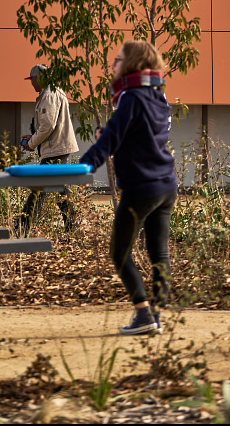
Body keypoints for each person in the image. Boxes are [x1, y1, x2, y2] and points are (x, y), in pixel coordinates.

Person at [80, 40, 177, 336]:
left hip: (141, 187)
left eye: (118, 59)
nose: (114, 64)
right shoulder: (158, 96)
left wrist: (85, 166)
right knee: (159, 253)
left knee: (119, 252)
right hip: (166, 185)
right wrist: (110, 135)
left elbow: (112, 139)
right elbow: (139, 135)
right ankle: (156, 315)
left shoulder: (131, 96)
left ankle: (143, 313)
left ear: (132, 63)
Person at [19, 64, 78, 233]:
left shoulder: (49, 95)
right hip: (57, 147)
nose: (32, 83)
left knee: (39, 189)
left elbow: (47, 126)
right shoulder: (52, 92)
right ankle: (72, 227)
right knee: (58, 189)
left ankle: (22, 227)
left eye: (33, 80)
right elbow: (48, 125)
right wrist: (32, 137)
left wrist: (31, 143)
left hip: (55, 149)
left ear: (41, 79)